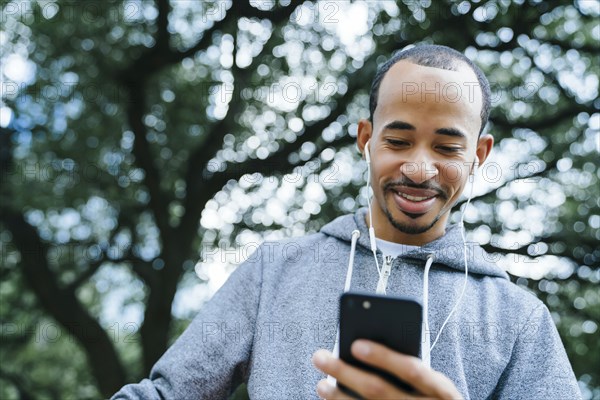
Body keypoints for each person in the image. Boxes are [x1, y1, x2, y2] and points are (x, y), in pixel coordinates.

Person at [111, 45, 581, 399]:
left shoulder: (519, 320)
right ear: (366, 140)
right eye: (398, 141)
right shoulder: (273, 271)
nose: (419, 169)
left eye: (446, 147)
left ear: (479, 154)